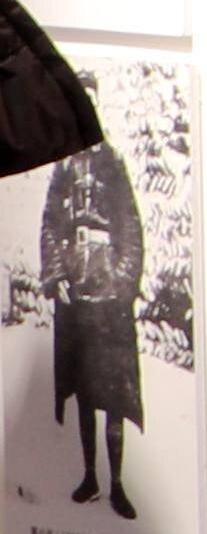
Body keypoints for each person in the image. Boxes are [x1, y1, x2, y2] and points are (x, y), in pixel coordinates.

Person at [36, 125, 141, 513]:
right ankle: (90, 476)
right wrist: (57, 276)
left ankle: (117, 484)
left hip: (109, 296)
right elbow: (50, 223)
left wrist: (122, 280)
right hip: (75, 292)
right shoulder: (63, 165)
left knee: (113, 394)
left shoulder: (113, 163)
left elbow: (130, 226)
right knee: (83, 391)